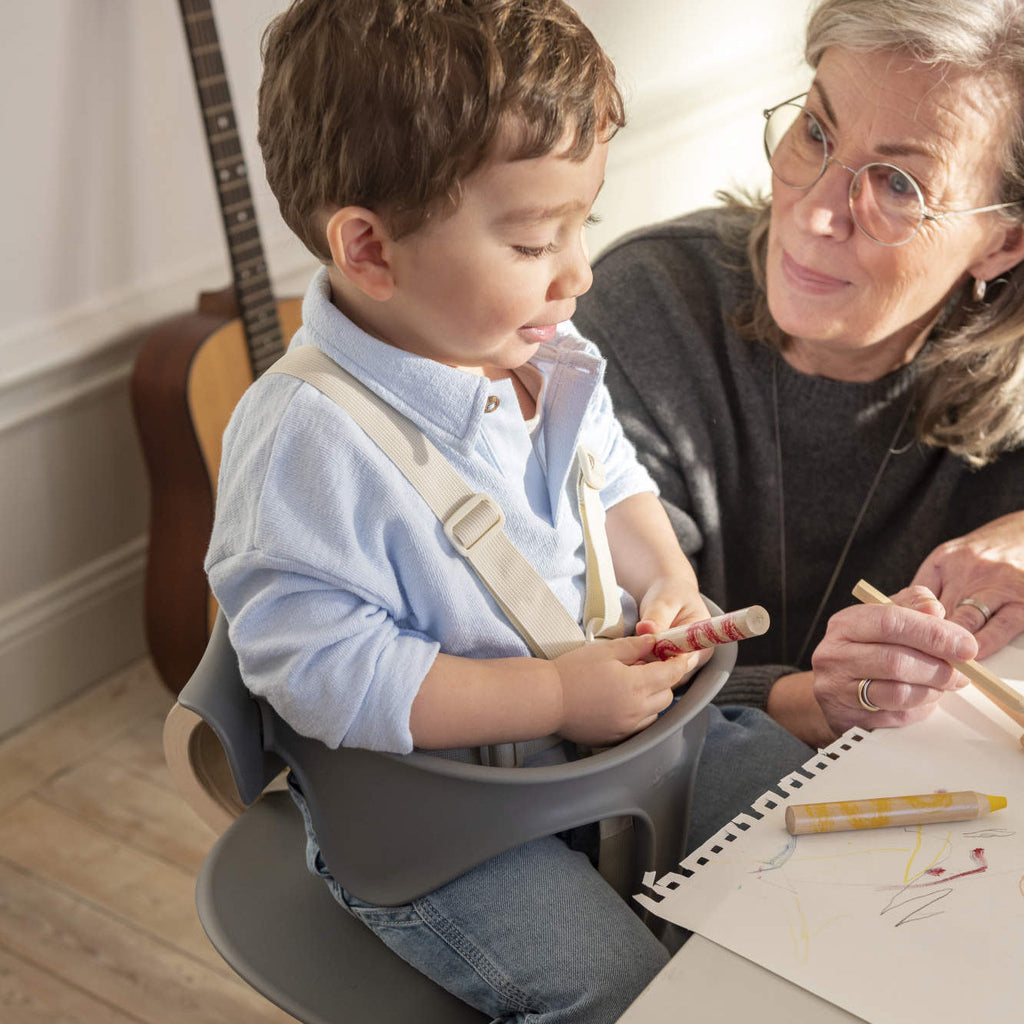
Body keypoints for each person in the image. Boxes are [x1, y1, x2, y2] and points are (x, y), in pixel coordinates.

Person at [204, 1, 814, 1019]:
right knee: (618, 992)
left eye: (587, 224)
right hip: (442, 823)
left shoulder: (549, 353)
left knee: (805, 815)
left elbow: (610, 476)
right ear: (369, 249)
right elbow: (318, 672)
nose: (578, 270)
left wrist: (664, 576)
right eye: (536, 240)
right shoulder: (305, 441)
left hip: (600, 752)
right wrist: (554, 700)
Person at [574, 0, 1024, 791]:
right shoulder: (646, 308)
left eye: (897, 184)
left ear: (1006, 241)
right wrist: (811, 704)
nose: (815, 211)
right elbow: (593, 685)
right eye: (816, 131)